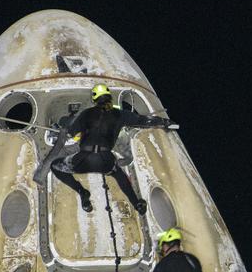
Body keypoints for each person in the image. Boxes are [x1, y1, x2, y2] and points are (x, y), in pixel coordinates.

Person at [33, 84, 172, 213]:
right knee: (119, 175)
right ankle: (137, 204)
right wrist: (163, 122)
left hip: (83, 160)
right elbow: (144, 121)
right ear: (109, 97)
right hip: (106, 161)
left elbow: (70, 133)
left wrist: (64, 129)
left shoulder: (86, 113)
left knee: (56, 166)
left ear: (94, 99)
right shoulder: (120, 114)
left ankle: (82, 191)